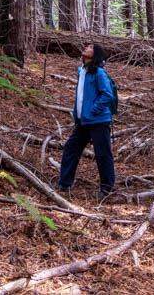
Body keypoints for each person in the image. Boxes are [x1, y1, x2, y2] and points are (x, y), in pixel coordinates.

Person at [53, 43, 116, 202]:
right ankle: (64, 184)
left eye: (90, 47)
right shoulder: (82, 71)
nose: (86, 48)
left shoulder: (99, 73)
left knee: (102, 154)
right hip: (83, 121)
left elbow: (107, 95)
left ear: (95, 55)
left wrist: (93, 110)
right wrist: (78, 114)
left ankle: (107, 189)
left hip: (99, 120)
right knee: (71, 148)